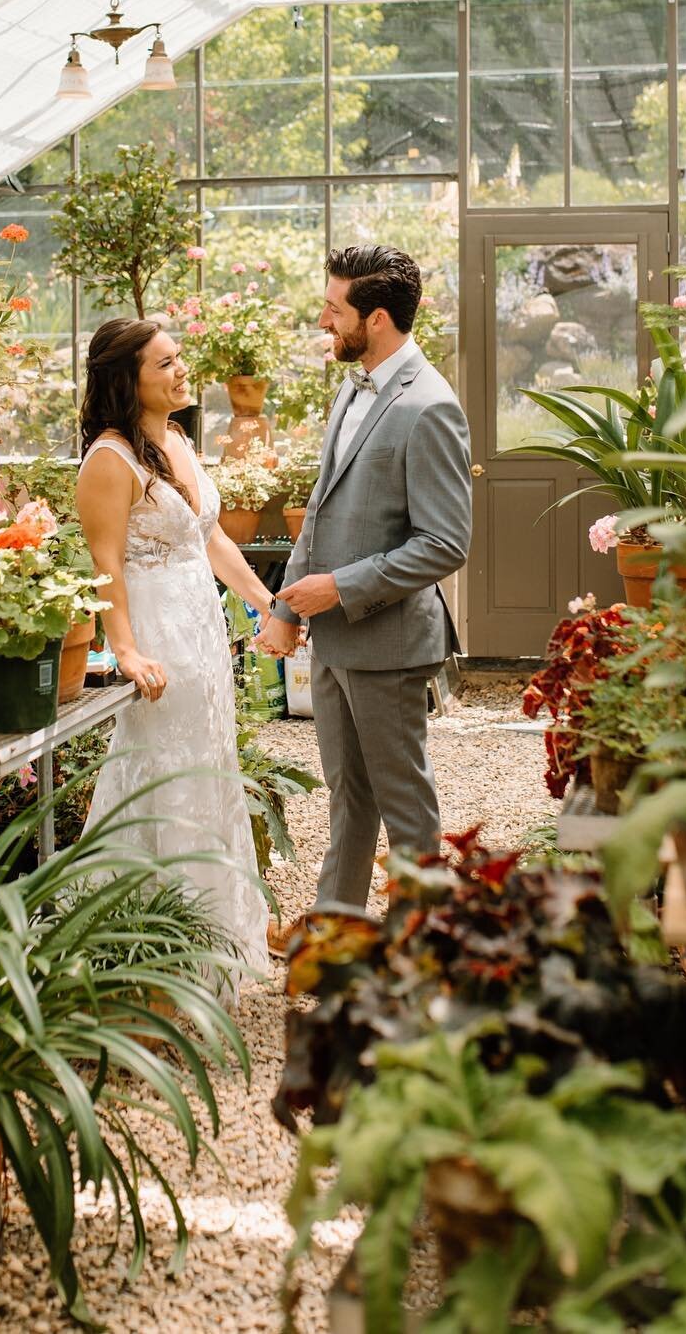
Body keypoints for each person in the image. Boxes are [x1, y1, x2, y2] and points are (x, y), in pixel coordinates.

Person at [259, 245, 472, 913]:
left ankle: (420, 950)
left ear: (376, 318)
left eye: (334, 307)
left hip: (389, 645)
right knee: (349, 798)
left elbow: (445, 542)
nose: (324, 318)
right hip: (332, 638)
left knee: (406, 810)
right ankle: (336, 930)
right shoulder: (353, 387)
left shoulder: (431, 406)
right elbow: (320, 510)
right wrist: (287, 607)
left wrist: (341, 589)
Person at [74, 316, 271, 972]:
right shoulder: (109, 459)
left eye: (178, 358)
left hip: (204, 634)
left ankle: (211, 938)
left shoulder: (179, 439)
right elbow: (106, 567)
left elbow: (208, 538)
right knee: (161, 776)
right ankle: (144, 951)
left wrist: (265, 599)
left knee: (208, 772)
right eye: (165, 363)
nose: (182, 369)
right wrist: (124, 649)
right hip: (158, 635)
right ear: (128, 381)